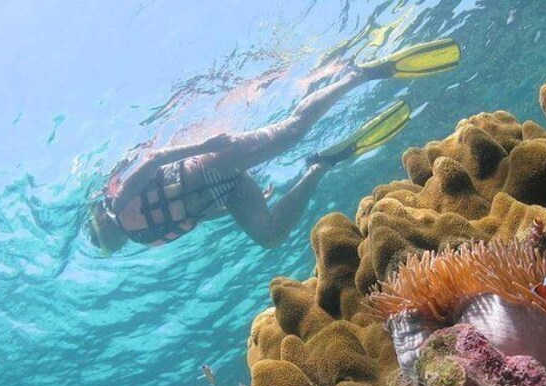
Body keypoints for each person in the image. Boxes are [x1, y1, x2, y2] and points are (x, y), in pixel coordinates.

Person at [87, 38, 460, 254]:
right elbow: (193, 214)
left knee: (294, 130)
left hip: (210, 159)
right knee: (269, 236)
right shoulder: (145, 237)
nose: (106, 244)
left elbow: (154, 159)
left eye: (99, 238)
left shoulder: (119, 204)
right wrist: (230, 206)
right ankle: (320, 165)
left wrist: (202, 144)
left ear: (100, 221)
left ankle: (356, 75)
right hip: (227, 191)